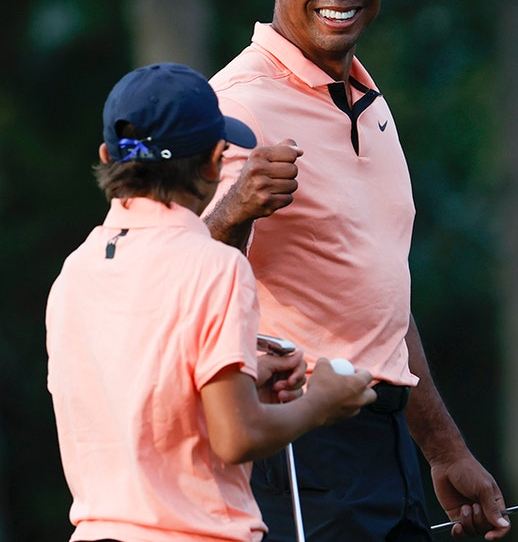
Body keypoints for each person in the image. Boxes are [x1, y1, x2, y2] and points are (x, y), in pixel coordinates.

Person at [203, 0, 513, 541]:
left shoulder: (369, 103)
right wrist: (234, 211)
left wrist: (445, 449)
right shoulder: (237, 104)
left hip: (386, 442)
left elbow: (380, 302)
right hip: (299, 448)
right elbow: (176, 274)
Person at [46, 62, 377, 542]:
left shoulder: (75, 270)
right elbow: (237, 436)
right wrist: (322, 403)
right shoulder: (215, 266)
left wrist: (243, 376)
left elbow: (136, 389)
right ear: (212, 162)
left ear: (107, 154)